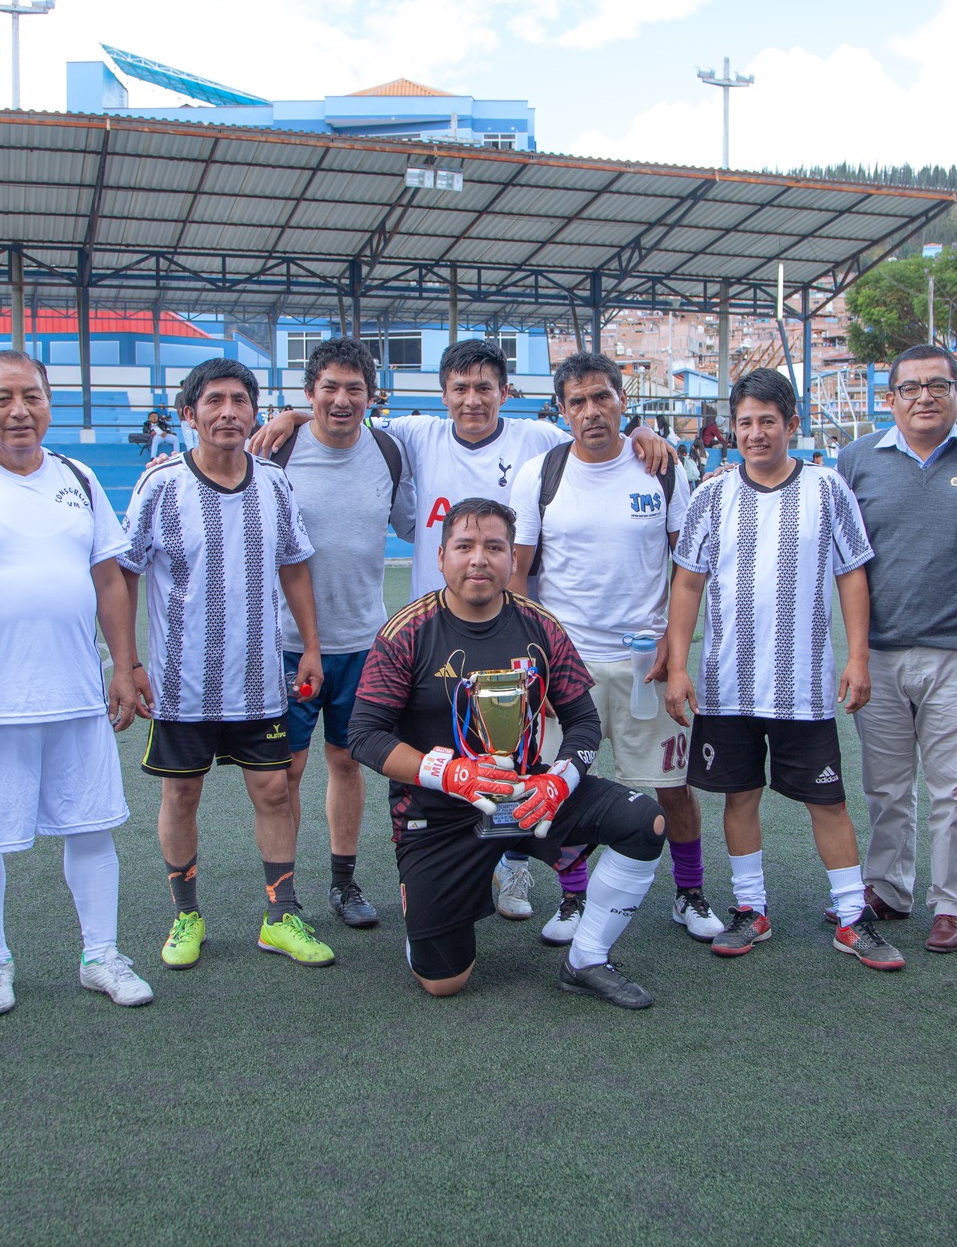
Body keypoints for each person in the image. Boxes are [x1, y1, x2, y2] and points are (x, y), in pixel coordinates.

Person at [250, 339, 670, 922]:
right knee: (435, 765)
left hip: (508, 632)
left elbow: (597, 432)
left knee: (516, 756)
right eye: (460, 388)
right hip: (427, 640)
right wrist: (293, 415)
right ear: (443, 395)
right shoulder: (414, 436)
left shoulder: (537, 439)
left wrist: (647, 434)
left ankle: (514, 872)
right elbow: (348, 411)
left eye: (485, 388)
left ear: (506, 393)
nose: (473, 399)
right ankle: (429, 871)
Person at [0, 351, 156, 1017]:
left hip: (75, 691)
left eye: (32, 397)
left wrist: (124, 665)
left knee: (92, 824)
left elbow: (108, 578)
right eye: (3, 397)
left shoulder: (77, 476)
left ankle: (101, 953)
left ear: (49, 402)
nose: (19, 411)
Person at [347, 498, 669, 1007]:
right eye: (465, 546)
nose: (479, 559)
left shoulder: (540, 624)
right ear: (441, 556)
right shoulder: (406, 632)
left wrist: (558, 780)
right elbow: (364, 735)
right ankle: (429, 912)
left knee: (645, 822)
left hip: (526, 795)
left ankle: (586, 960)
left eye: (494, 547)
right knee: (444, 983)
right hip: (437, 813)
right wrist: (450, 774)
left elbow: (584, 721)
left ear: (512, 560)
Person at [663, 368, 899, 968]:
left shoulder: (827, 489)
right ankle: (750, 909)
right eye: (745, 422)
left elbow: (852, 575)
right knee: (738, 797)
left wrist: (858, 656)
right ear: (731, 430)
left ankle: (853, 916)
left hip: (805, 685)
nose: (756, 433)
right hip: (727, 683)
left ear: (791, 425)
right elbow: (687, 582)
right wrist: (680, 665)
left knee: (828, 802)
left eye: (768, 421)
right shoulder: (712, 494)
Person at [120, 358, 332, 970]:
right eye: (214, 401)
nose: (228, 412)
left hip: (260, 681)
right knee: (182, 794)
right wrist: (129, 662)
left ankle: (280, 915)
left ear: (254, 411)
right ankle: (186, 913)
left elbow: (294, 564)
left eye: (240, 400)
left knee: (273, 789)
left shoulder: (273, 482)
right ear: (190, 414)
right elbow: (124, 573)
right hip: (181, 687)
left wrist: (310, 646)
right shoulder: (160, 485)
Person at [508, 352, 722, 943]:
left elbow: (688, 570)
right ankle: (574, 900)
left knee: (671, 786)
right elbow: (517, 576)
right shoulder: (541, 473)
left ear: (623, 401)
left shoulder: (662, 468)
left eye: (602, 397)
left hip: (644, 664)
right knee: (563, 788)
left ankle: (690, 892)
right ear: (562, 411)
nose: (591, 411)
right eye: (577, 402)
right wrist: (537, 662)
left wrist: (675, 653)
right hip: (565, 665)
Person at [836, 345, 957, 953]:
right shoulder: (855, 460)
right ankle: (889, 886)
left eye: (938, 385)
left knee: (955, 791)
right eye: (910, 387)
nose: (924, 397)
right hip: (875, 654)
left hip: (956, 654)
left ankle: (953, 903)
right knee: (885, 786)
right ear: (890, 398)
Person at [271, 339, 416, 928]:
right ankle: (283, 895)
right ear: (309, 394)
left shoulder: (387, 450)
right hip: (286, 643)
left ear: (371, 396)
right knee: (285, 771)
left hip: (365, 643)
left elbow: (412, 521)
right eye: (328, 387)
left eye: (354, 388)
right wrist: (288, 419)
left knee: (348, 762)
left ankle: (344, 882)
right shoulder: (276, 450)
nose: (341, 399)